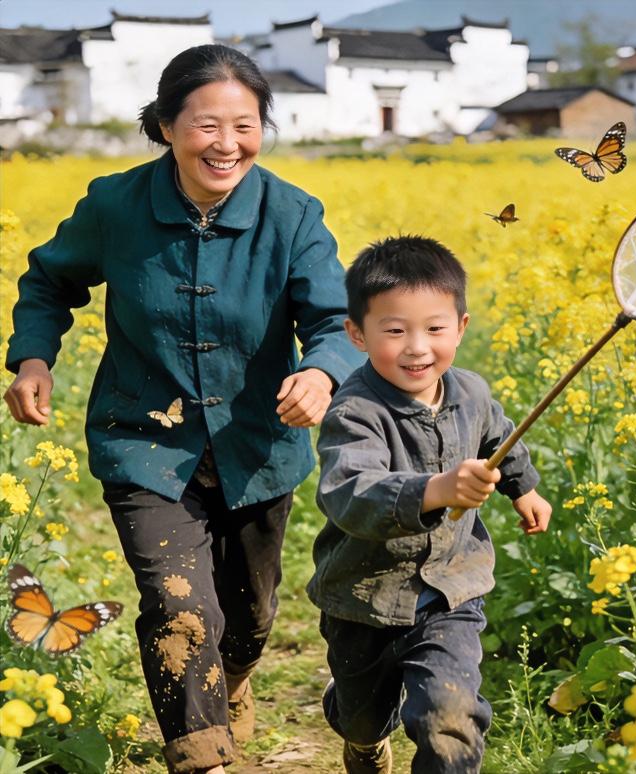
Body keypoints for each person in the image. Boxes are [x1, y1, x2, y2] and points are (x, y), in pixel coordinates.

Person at [4, 45, 362, 774]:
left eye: (245, 124)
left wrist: (323, 372)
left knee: (249, 622)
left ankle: (232, 682)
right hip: (144, 444)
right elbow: (48, 281)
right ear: (166, 125)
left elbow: (335, 322)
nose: (226, 144)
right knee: (178, 606)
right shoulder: (115, 205)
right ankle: (201, 755)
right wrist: (33, 356)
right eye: (206, 124)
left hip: (256, 447)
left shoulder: (292, 216)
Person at [307, 235, 553, 774]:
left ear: (461, 328)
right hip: (363, 599)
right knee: (362, 718)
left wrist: (523, 487)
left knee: (450, 719)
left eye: (435, 329)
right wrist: (434, 490)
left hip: (450, 594)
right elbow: (349, 493)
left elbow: (500, 439)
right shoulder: (354, 411)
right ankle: (360, 734)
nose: (417, 347)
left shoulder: (472, 392)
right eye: (394, 331)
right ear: (356, 335)